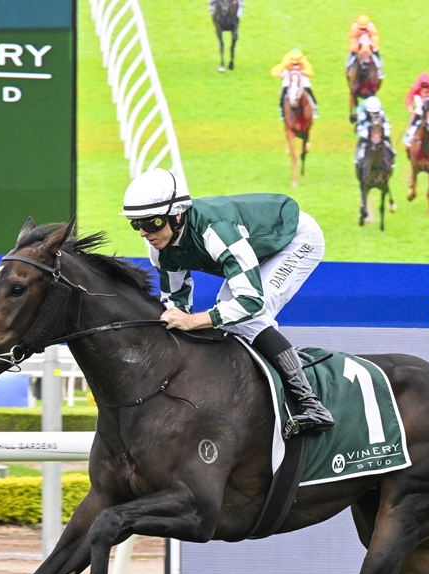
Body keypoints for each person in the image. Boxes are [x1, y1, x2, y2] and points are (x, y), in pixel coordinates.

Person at [120, 168, 335, 438]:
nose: (143, 233)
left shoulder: (215, 232)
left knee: (250, 315)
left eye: (152, 223)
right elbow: (175, 307)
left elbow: (251, 303)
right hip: (255, 244)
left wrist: (193, 320)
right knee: (225, 310)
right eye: (136, 224)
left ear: (176, 216)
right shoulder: (159, 248)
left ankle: (311, 404)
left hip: (294, 239)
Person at [270, 48, 318, 120]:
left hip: (302, 76)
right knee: (285, 90)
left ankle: (314, 108)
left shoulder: (304, 64)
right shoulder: (285, 65)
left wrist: (303, 72)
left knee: (308, 90)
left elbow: (310, 73)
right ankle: (282, 110)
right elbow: (274, 72)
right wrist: (281, 74)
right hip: (289, 75)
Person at [354, 96, 394, 172]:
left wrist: (387, 130)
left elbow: (385, 122)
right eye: (372, 112)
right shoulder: (362, 113)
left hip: (378, 126)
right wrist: (363, 133)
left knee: (386, 138)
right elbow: (359, 125)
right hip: (365, 125)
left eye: (376, 112)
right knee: (362, 141)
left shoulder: (381, 112)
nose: (374, 113)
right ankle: (358, 156)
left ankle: (391, 151)